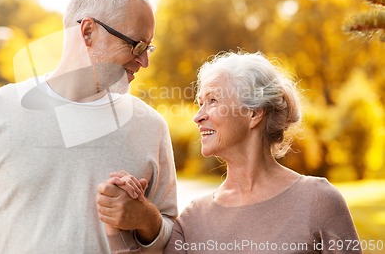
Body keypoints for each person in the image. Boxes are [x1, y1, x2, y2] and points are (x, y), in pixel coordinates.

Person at [0, 0, 178, 253]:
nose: (145, 61)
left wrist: (146, 217)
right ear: (88, 32)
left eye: (148, 48)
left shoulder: (151, 128)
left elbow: (172, 238)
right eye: (137, 46)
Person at [104, 51, 362, 254]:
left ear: (253, 113)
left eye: (213, 101)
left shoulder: (319, 201)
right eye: (200, 103)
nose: (197, 117)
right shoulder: (193, 221)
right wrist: (117, 222)